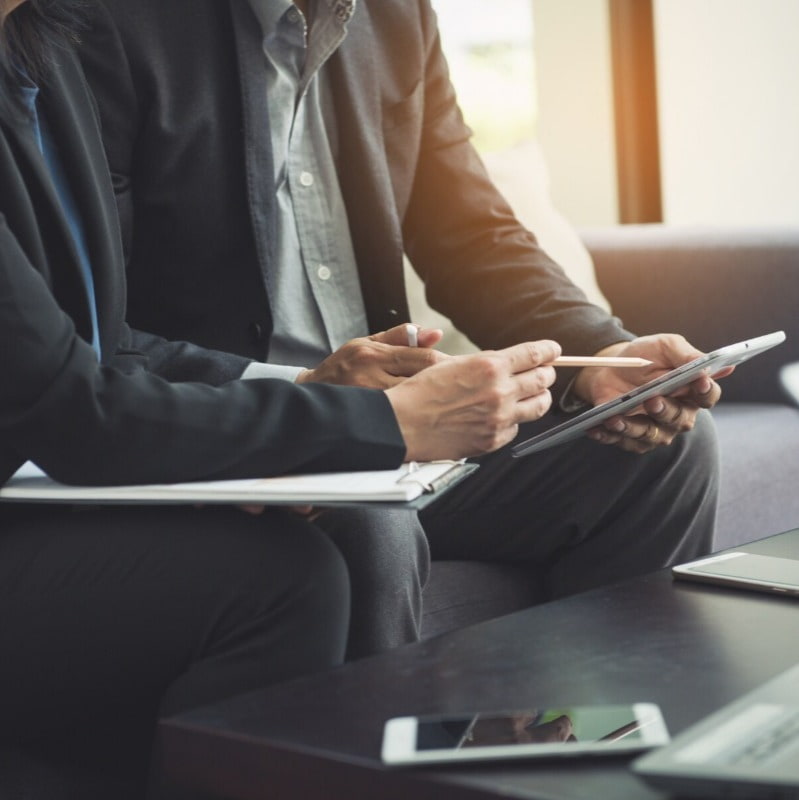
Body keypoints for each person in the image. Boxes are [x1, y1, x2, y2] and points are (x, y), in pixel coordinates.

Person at [0, 1, 567, 796]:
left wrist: (308, 395)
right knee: (288, 577)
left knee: (648, 454)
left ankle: (578, 765)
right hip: (46, 490)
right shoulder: (108, 33)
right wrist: (371, 425)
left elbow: (102, 342)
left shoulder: (35, 54)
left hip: (74, 464)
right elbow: (71, 406)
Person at [77, 0, 725, 659]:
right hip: (231, 430)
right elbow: (90, 328)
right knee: (367, 522)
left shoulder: (395, 17)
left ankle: (603, 746)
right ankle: (363, 761)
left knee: (664, 452)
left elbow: (471, 238)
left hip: (400, 429)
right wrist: (310, 400)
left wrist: (602, 353)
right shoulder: (112, 25)